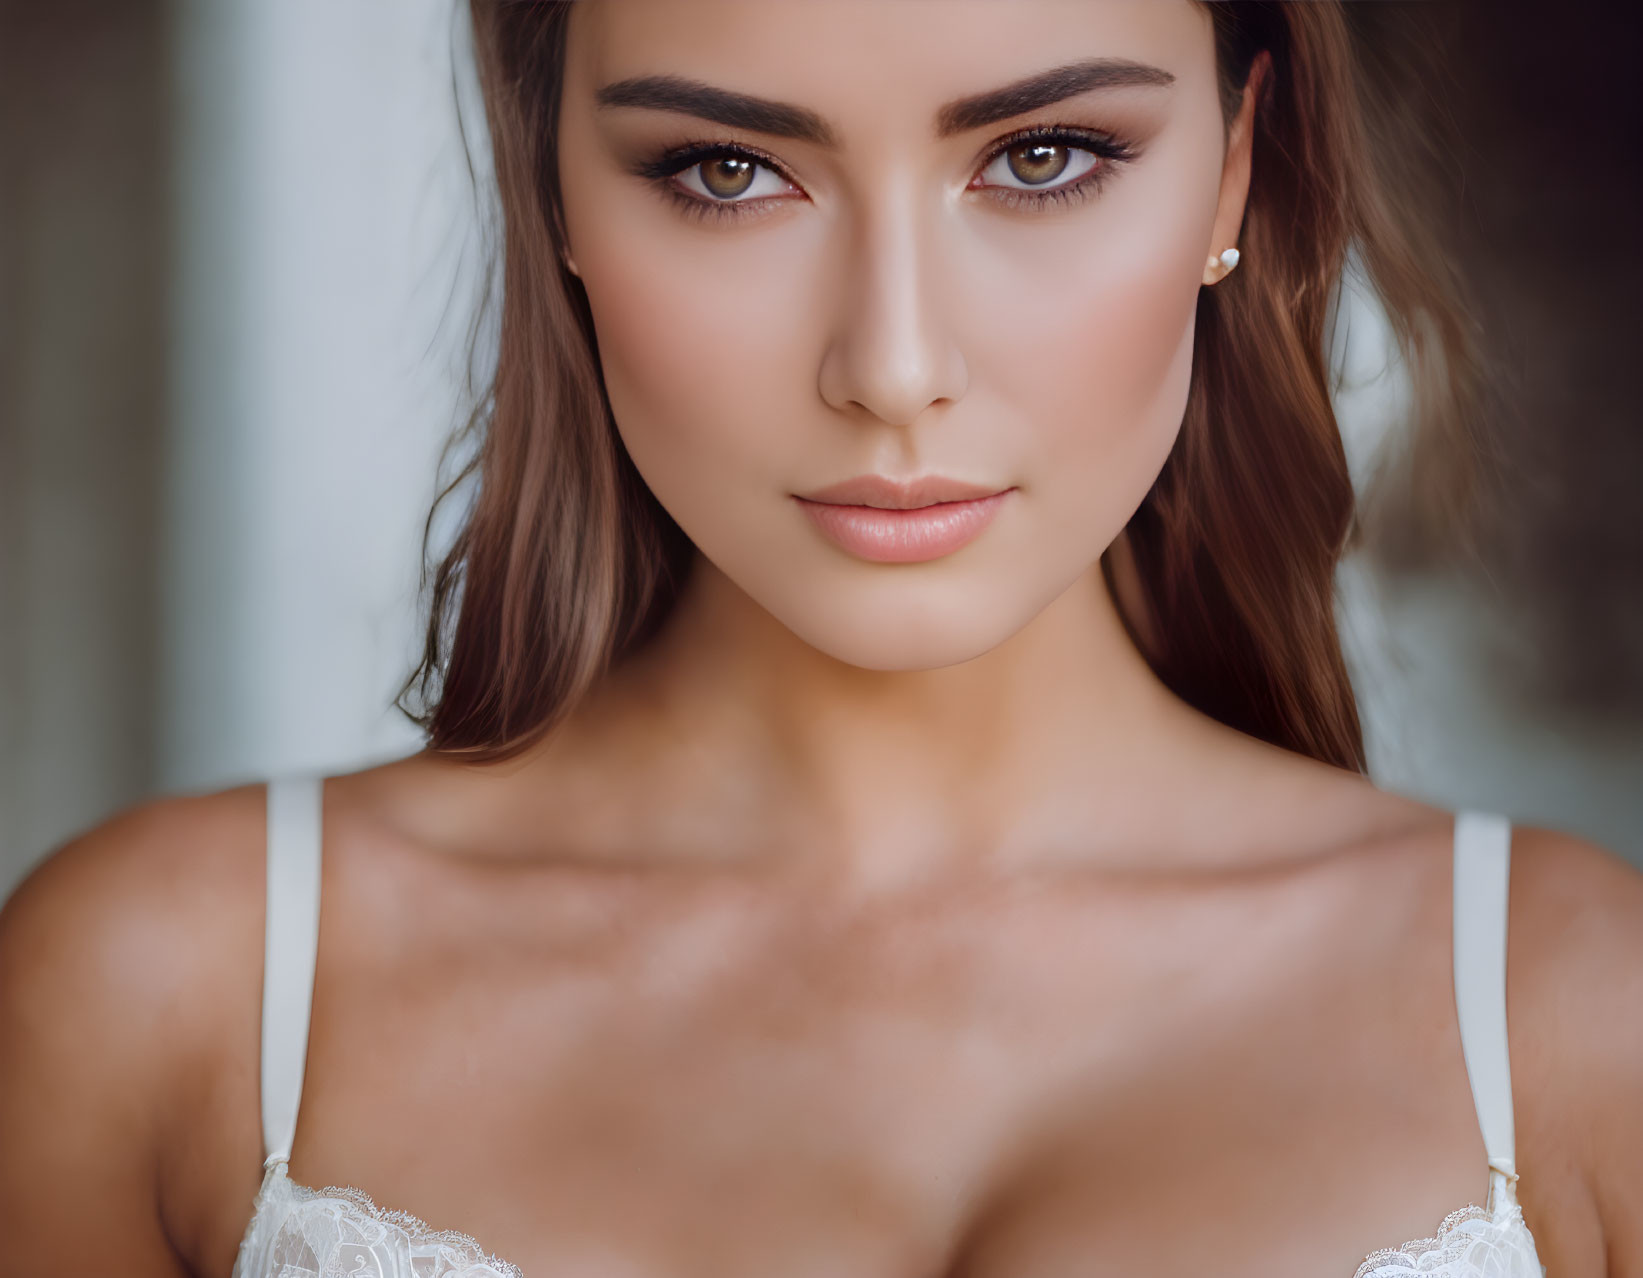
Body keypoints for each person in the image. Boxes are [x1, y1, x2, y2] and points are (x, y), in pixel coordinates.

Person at [1, 2, 1638, 1274]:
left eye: (1046, 154)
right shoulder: (167, 1004)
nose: (893, 362)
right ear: (552, 180)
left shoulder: (1579, 1024)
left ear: (1233, 168)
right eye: (728, 171)